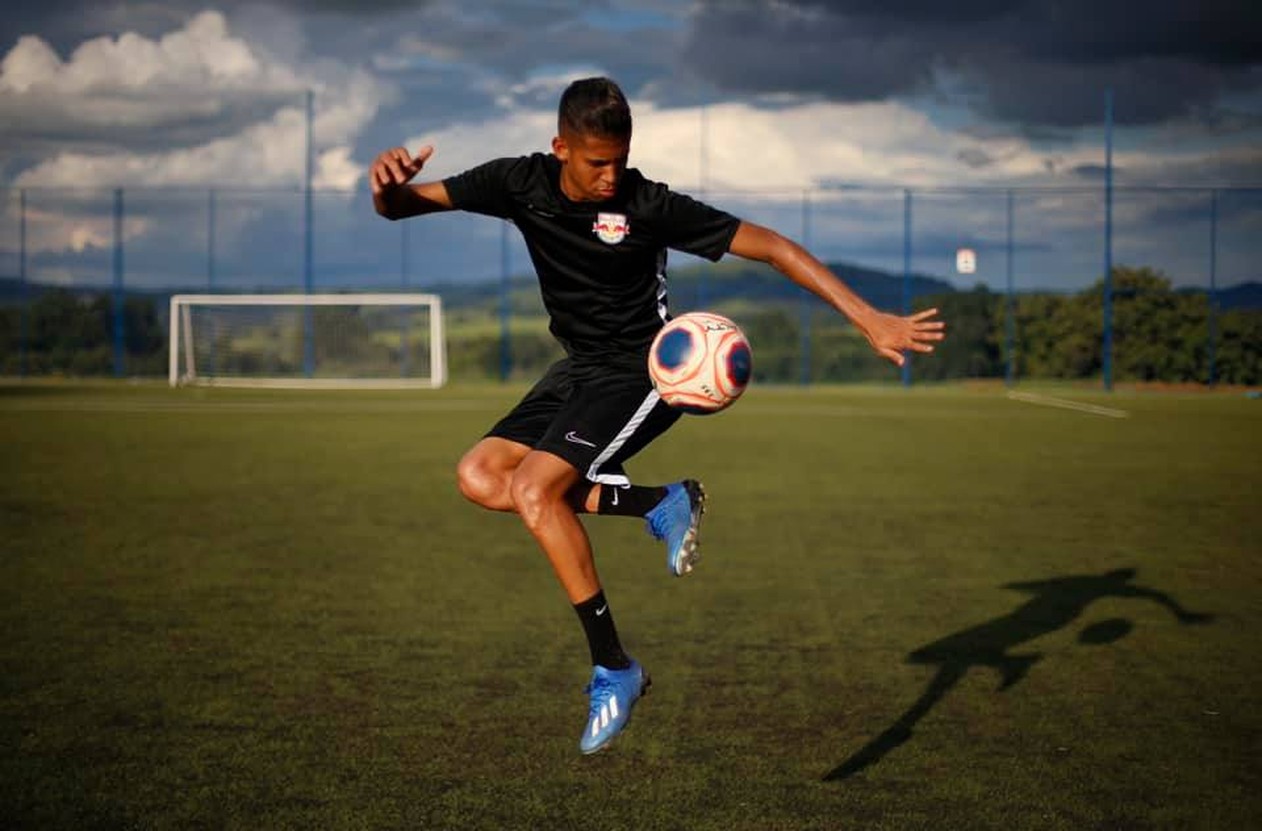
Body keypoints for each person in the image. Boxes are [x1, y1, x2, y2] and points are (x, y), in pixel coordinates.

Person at [370, 77, 944, 754]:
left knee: (534, 488)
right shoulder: (516, 182)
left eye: (621, 158)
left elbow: (774, 246)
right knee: (480, 475)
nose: (612, 175)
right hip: (578, 372)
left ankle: (614, 664)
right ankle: (659, 501)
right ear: (560, 148)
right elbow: (400, 208)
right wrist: (385, 185)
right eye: (595, 163)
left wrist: (867, 317)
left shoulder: (648, 203)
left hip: (646, 370)